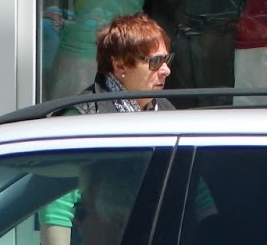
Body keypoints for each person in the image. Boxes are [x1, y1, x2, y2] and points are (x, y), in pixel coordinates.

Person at [41, 14, 211, 245]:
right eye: (154, 62)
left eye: (167, 60)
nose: (166, 71)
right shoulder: (84, 118)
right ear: (120, 64)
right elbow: (57, 202)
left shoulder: (164, 111)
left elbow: (194, 186)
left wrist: (213, 229)